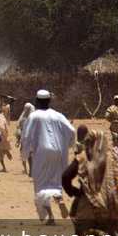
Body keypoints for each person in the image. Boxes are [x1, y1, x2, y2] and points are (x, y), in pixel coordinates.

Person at [22, 89, 74, 224]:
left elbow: (26, 137)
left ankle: (50, 216)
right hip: (58, 152)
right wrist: (67, 146)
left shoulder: (34, 116)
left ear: (37, 101)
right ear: (49, 101)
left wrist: (24, 154)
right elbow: (72, 131)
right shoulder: (58, 115)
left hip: (41, 153)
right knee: (55, 182)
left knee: (41, 185)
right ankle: (59, 198)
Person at [16, 102, 35, 175]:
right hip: (25, 139)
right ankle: (26, 169)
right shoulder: (23, 118)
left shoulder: (33, 118)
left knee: (30, 155)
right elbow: (19, 129)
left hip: (30, 139)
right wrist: (18, 139)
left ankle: (30, 170)